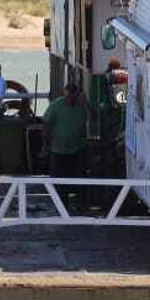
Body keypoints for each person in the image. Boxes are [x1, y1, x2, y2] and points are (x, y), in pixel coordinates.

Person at [40, 81, 93, 211]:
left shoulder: (82, 105)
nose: (70, 99)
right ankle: (61, 205)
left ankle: (81, 204)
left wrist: (86, 104)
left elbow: (94, 118)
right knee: (59, 179)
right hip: (58, 149)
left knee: (80, 178)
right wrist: (45, 146)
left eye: (73, 96)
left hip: (78, 147)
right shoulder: (56, 105)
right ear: (64, 94)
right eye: (68, 96)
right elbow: (46, 126)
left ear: (77, 95)